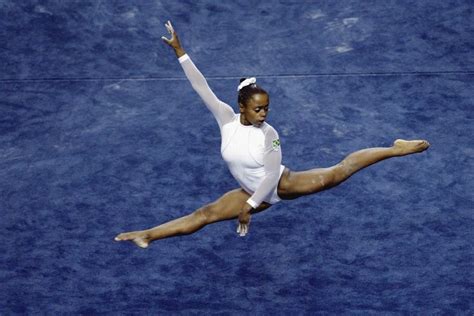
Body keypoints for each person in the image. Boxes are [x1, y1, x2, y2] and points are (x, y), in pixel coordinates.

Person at [114, 21, 430, 248]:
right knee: (205, 214)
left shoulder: (270, 134)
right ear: (241, 107)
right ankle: (148, 234)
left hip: (280, 185)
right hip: (250, 192)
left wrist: (249, 207)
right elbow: (201, 87)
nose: (264, 113)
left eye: (266, 108)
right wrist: (181, 52)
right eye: (257, 109)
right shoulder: (225, 117)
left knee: (339, 171)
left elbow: (268, 179)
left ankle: (396, 149)